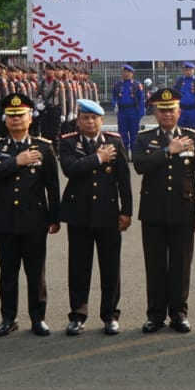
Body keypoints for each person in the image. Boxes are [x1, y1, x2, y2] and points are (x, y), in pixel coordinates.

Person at [0, 92, 61, 337]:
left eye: (21, 115)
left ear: (30, 118)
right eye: (12, 116)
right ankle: (8, 317)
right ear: (5, 120)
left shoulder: (44, 147)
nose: (16, 120)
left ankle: (38, 318)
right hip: (4, 219)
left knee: (36, 272)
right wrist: (17, 161)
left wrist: (54, 217)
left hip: (34, 219)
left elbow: (52, 186)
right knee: (8, 272)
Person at [132, 87, 195, 333]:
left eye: (171, 110)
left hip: (183, 210)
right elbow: (141, 166)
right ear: (154, 113)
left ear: (179, 112)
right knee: (154, 265)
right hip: (153, 211)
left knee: (181, 263)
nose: (166, 115)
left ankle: (178, 313)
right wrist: (167, 151)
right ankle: (155, 314)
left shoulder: (192, 138)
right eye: (161, 111)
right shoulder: (145, 138)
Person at [59, 98, 134, 336]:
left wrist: (127, 211)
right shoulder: (68, 143)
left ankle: (110, 314)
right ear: (78, 121)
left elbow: (124, 179)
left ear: (101, 120)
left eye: (94, 118)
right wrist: (98, 159)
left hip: (108, 213)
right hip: (79, 214)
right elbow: (70, 169)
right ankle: (78, 315)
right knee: (79, 266)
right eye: (85, 118)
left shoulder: (114, 142)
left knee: (110, 266)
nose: (90, 122)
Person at [111, 64, 146, 154]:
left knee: (134, 135)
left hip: (133, 112)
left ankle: (134, 155)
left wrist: (141, 113)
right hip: (122, 112)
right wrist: (114, 104)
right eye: (124, 72)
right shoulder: (118, 85)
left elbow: (141, 99)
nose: (126, 74)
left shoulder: (136, 85)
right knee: (122, 135)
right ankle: (124, 154)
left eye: (128, 72)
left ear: (132, 74)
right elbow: (114, 96)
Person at [172, 62, 195, 131]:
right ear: (183, 70)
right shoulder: (179, 80)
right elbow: (174, 94)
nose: (188, 72)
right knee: (180, 132)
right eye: (186, 70)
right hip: (180, 111)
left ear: (194, 70)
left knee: (192, 133)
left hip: (192, 111)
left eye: (190, 70)